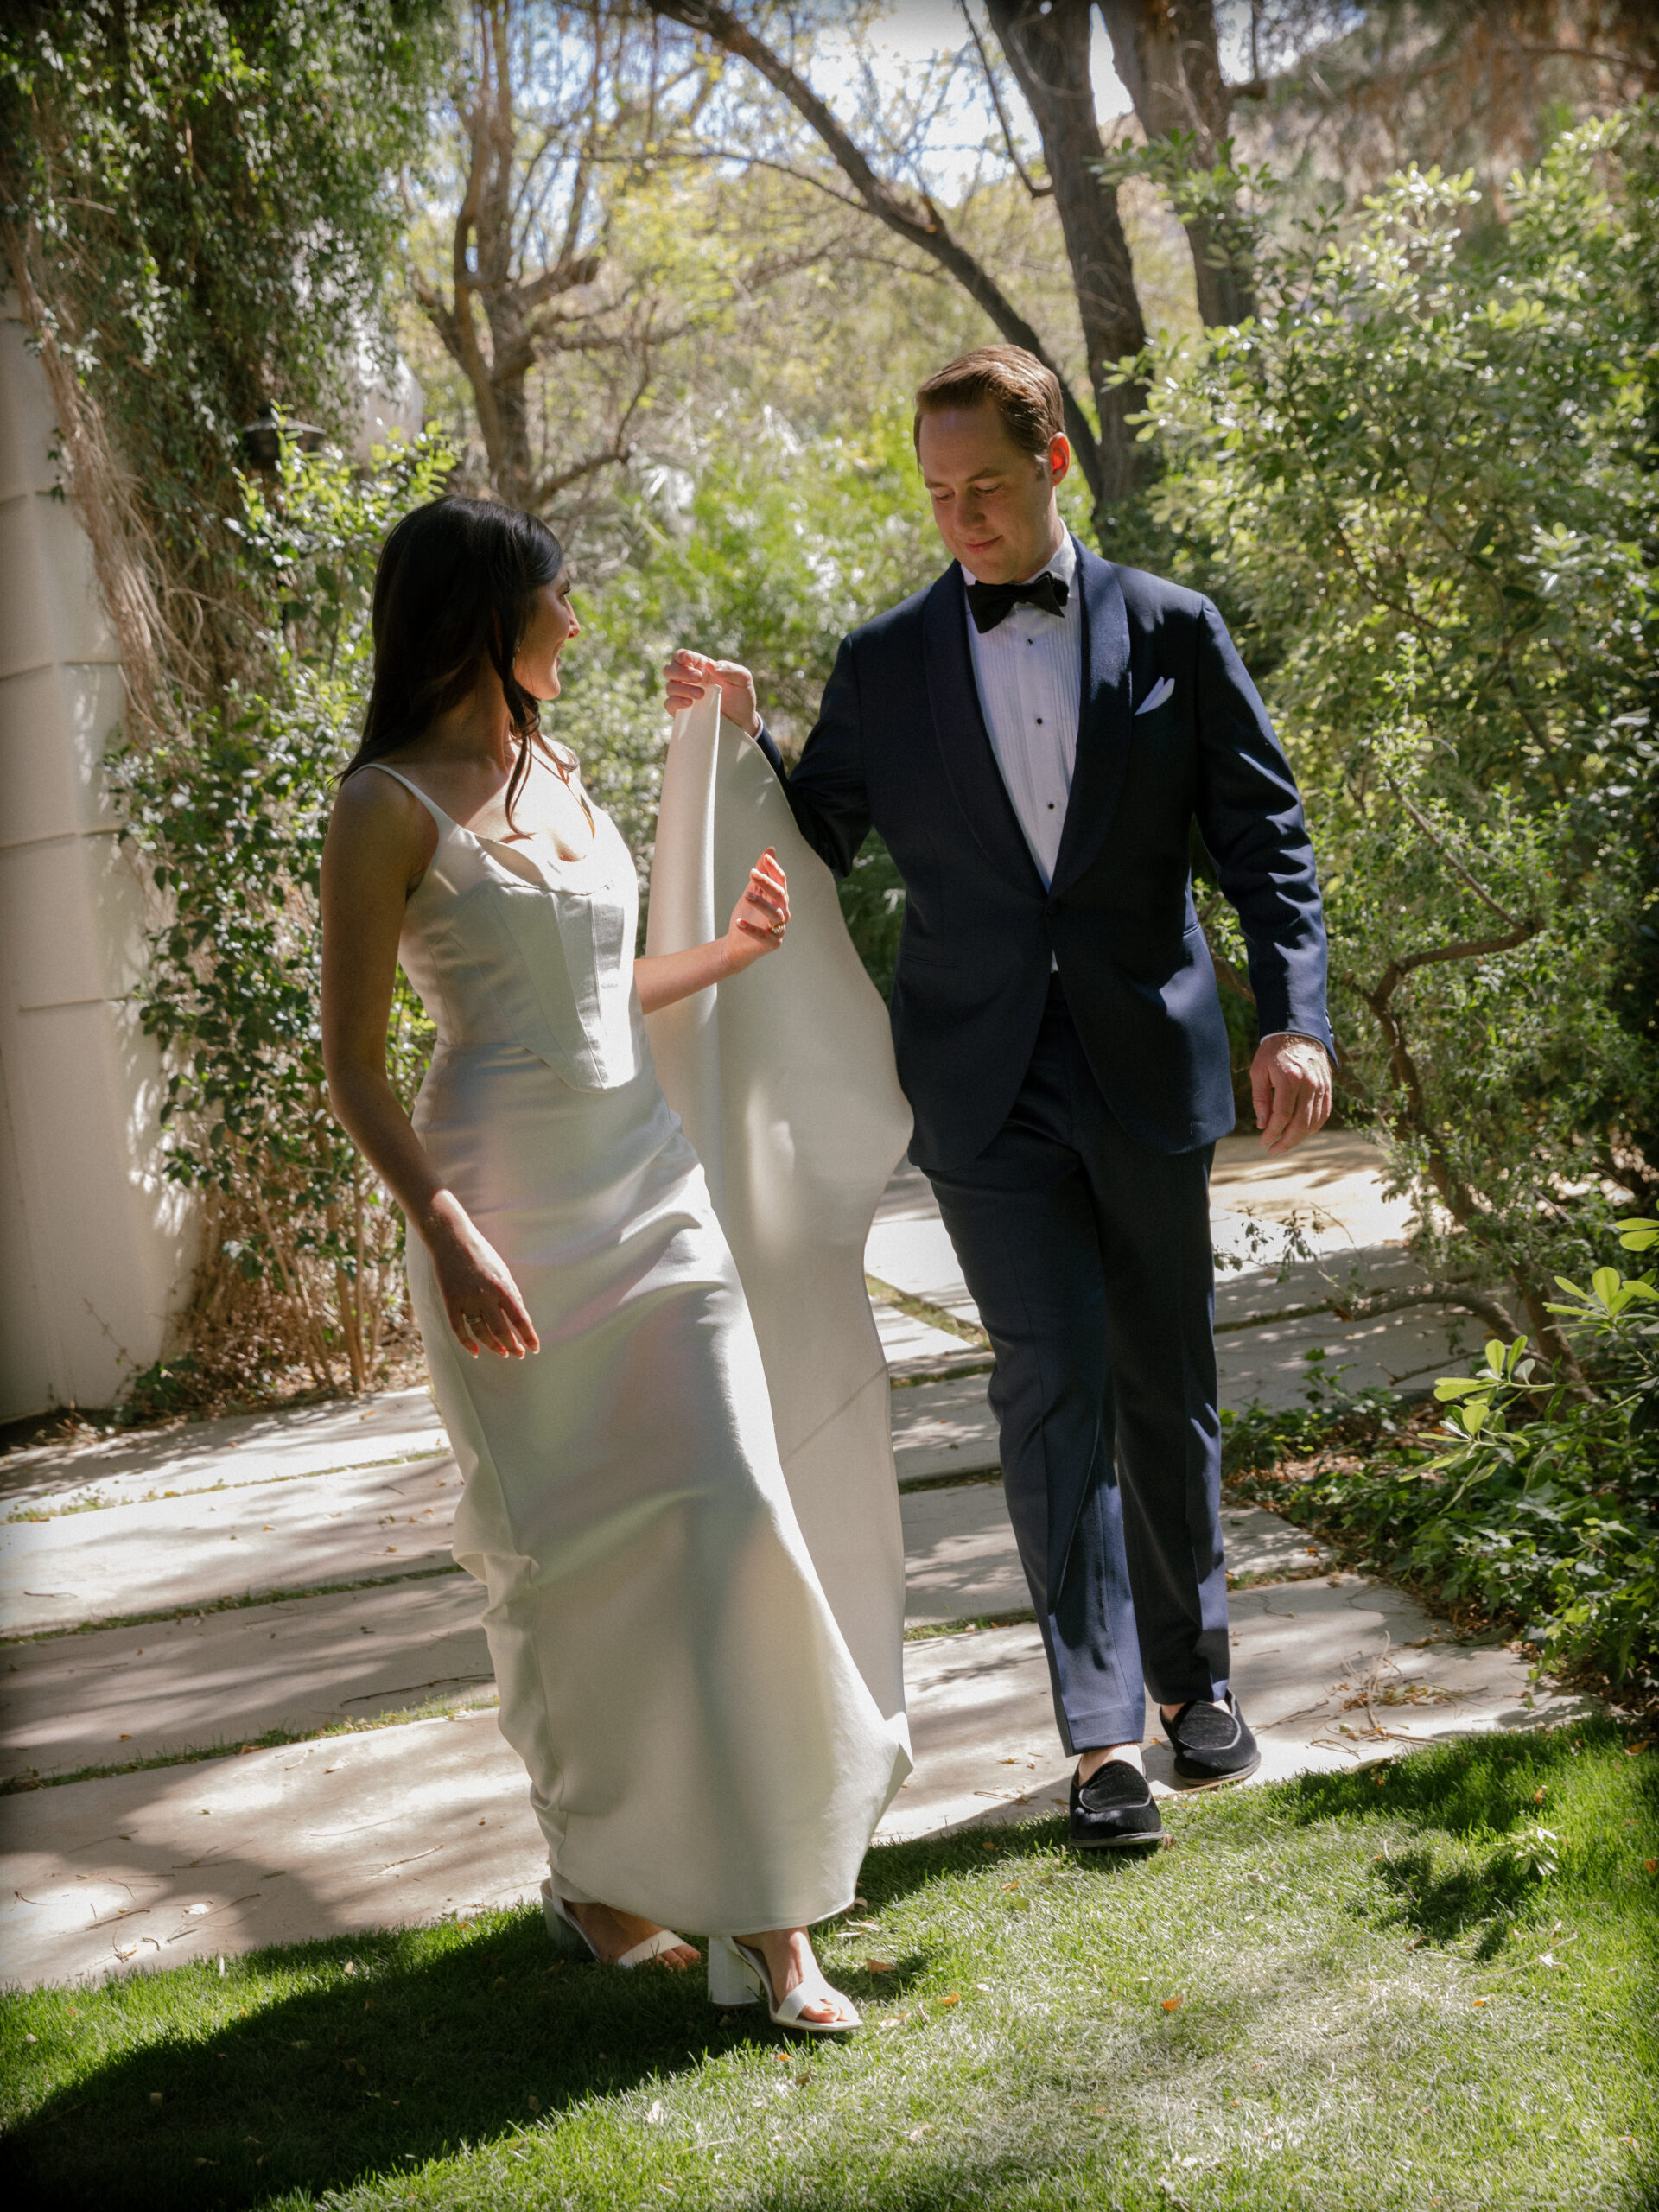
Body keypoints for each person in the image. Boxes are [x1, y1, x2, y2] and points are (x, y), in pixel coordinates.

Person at [666, 346, 1334, 1852]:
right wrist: (741, 738)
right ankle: (1100, 1737)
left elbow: (1265, 839)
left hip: (1148, 1065)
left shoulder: (1174, 628)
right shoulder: (891, 661)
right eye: (939, 494)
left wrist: (1296, 1019)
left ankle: (1196, 1679)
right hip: (978, 1083)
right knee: (1051, 1381)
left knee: (1166, 1378)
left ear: (1055, 467)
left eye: (986, 486)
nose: (961, 517)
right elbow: (811, 837)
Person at [321, 495, 908, 2033]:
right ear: (483, 620)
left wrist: (728, 953)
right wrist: (446, 1234)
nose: (576, 625)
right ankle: (604, 1879)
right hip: (503, 1217)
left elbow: (600, 990)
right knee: (575, 1576)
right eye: (555, 603)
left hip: (653, 1197)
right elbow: (358, 1070)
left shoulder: (561, 769)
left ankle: (780, 1933)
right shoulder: (384, 804)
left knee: (732, 1517)